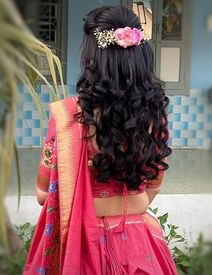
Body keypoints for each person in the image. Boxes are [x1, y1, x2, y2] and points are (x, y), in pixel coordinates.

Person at [23, 5, 177, 275]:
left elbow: (43, 194)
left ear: (89, 56)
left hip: (81, 243)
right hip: (141, 245)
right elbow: (152, 186)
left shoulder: (68, 116)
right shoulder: (154, 116)